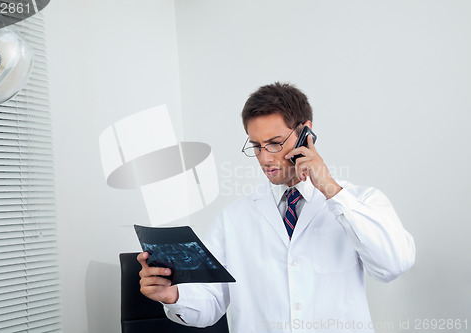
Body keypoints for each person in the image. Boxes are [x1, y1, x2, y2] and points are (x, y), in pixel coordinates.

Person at [137, 82, 415, 332]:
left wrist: (331, 189)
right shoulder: (234, 219)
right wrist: (172, 296)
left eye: (274, 143)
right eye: (256, 146)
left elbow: (393, 265)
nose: (264, 158)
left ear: (306, 132)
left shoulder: (359, 201)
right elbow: (210, 305)